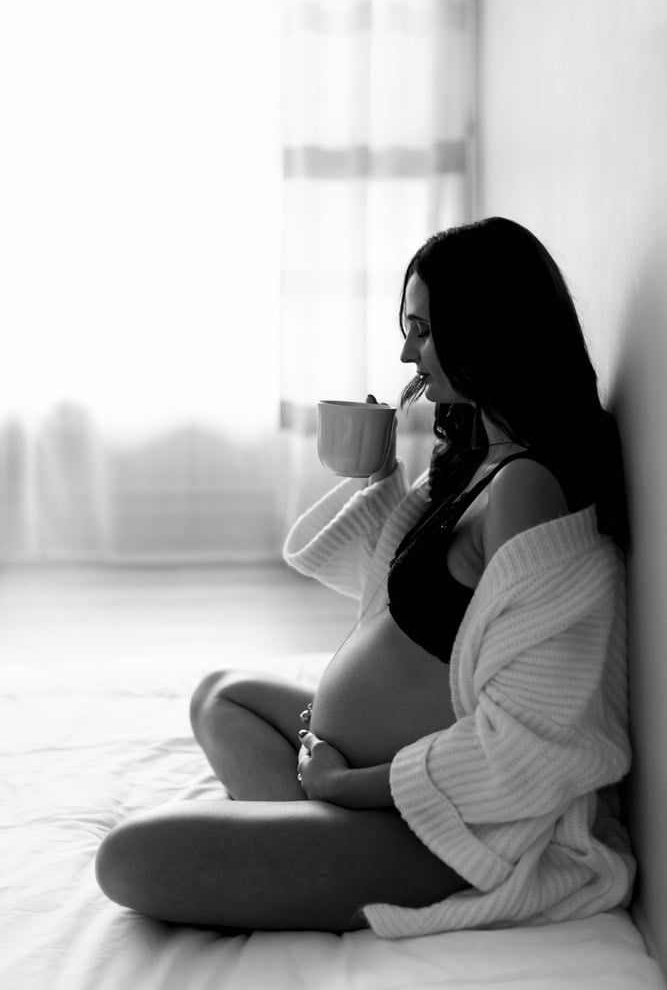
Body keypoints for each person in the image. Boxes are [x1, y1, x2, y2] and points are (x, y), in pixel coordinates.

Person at [95, 217, 635, 937]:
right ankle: (314, 849)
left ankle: (322, 847)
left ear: (485, 332)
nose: (407, 352)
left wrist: (345, 784)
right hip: (380, 779)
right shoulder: (480, 460)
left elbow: (530, 744)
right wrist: (384, 480)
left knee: (128, 858)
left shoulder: (525, 488)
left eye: (422, 330)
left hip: (448, 829)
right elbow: (399, 610)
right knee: (220, 695)